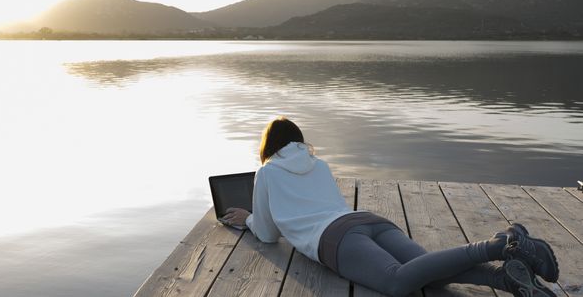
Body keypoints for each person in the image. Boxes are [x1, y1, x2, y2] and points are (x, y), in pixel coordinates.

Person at [222, 117, 559, 297]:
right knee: (430, 273)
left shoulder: (266, 172)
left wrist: (248, 218)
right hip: (367, 221)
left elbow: (267, 234)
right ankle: (506, 280)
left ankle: (500, 244)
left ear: (268, 147)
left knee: (399, 283)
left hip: (336, 239)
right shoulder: (319, 164)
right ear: (298, 140)